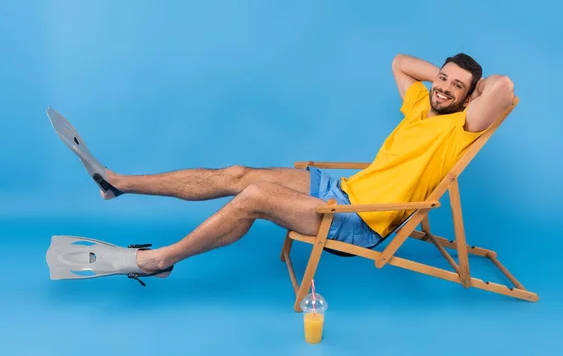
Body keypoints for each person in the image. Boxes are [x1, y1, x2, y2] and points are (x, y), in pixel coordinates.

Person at [48, 53, 516, 280]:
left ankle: (156, 261)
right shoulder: (420, 105)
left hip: (359, 219)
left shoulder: (461, 128)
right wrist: (441, 76)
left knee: (251, 199)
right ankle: (118, 182)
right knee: (235, 174)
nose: (444, 88)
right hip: (343, 186)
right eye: (443, 78)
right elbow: (398, 62)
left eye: (457, 87)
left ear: (469, 98)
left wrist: (472, 93)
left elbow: (505, 87)